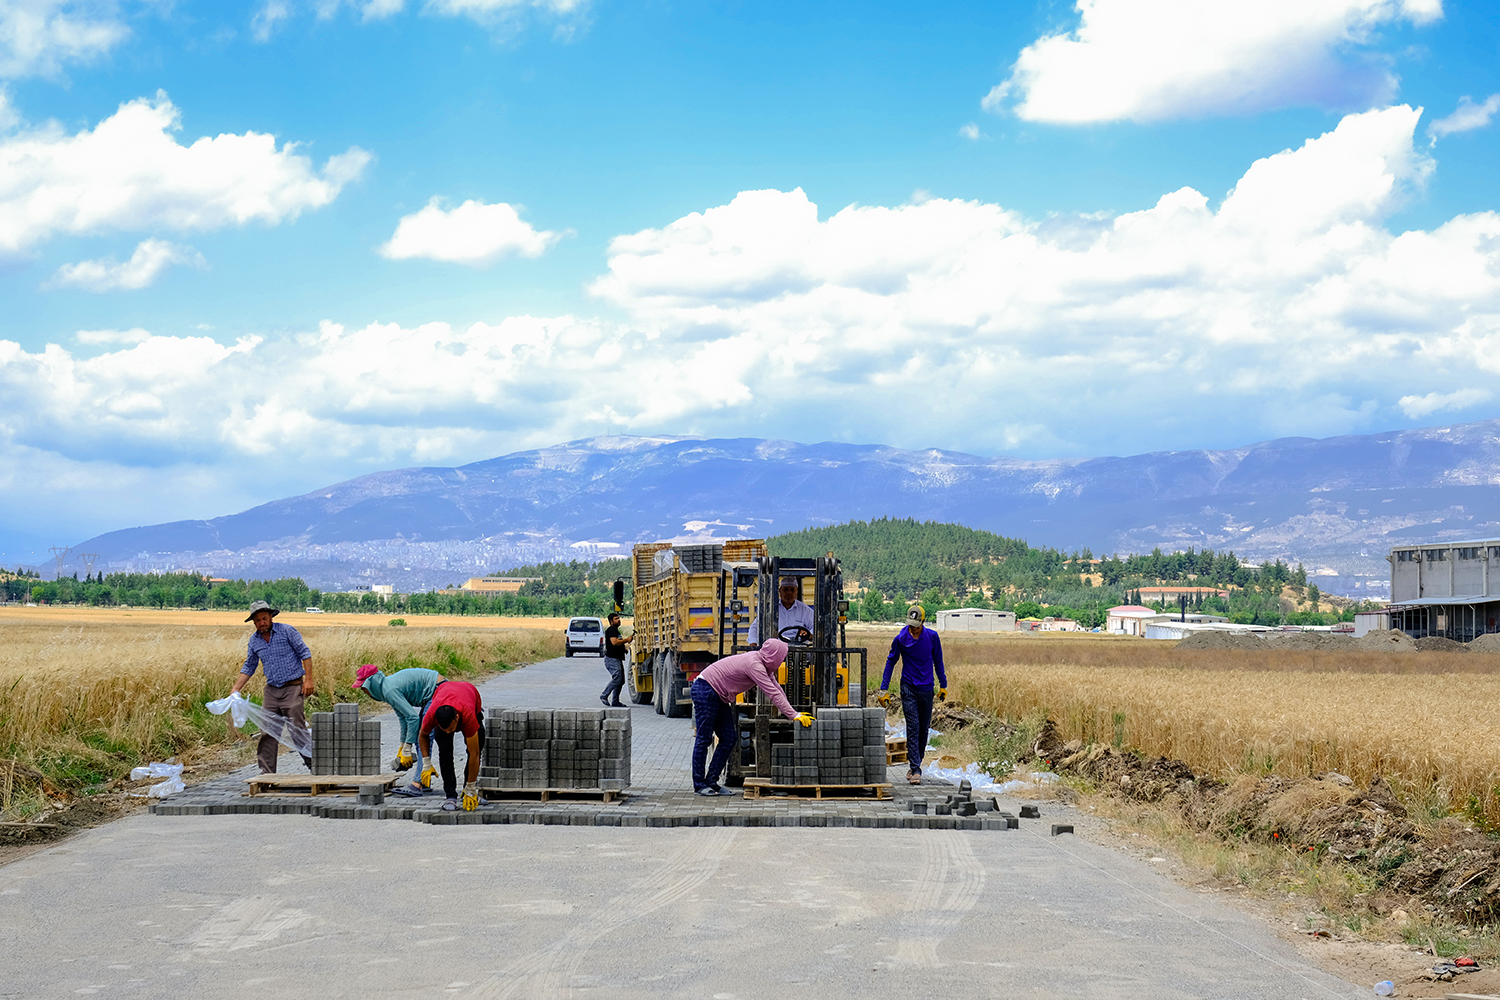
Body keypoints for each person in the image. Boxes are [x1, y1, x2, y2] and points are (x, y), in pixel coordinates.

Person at [690, 638, 813, 795]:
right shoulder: (754, 664)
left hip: (718, 695)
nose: (782, 661)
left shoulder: (765, 666)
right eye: (781, 658)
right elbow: (772, 693)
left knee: (728, 738)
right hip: (706, 689)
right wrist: (793, 715)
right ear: (774, 656)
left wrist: (795, 713)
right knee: (704, 738)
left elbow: (777, 689)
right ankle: (699, 785)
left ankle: (712, 782)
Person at [231, 600, 314, 774]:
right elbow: (249, 666)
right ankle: (267, 773)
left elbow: (305, 654)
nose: (262, 623)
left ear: (271, 617)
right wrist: (236, 689)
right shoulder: (254, 641)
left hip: (293, 688)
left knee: (296, 729)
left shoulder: (287, 631)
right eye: (258, 620)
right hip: (271, 691)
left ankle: (314, 765)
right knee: (267, 731)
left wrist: (309, 680)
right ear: (254, 622)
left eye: (264, 618)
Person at [877, 606, 947, 785]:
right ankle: (916, 768)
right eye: (911, 625)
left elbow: (938, 661)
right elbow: (891, 662)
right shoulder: (901, 639)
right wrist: (883, 689)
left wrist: (943, 685)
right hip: (908, 687)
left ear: (923, 622)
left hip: (926, 689)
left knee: (923, 729)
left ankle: (916, 763)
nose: (913, 628)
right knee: (914, 726)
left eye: (916, 625)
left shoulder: (932, 637)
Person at [353, 664, 444, 792]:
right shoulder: (386, 690)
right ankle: (423, 781)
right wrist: (402, 746)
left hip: (438, 689)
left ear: (371, 684)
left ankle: (418, 784)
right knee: (421, 737)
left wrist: (408, 747)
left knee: (424, 737)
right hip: (434, 689)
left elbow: (413, 718)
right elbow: (403, 719)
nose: (365, 692)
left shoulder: (389, 690)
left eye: (364, 688)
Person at [417, 680, 484, 811]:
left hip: (469, 694)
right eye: (445, 729)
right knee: (445, 753)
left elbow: (474, 754)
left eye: (451, 728)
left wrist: (471, 786)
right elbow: (423, 735)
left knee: (476, 748)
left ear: (457, 718)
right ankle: (450, 796)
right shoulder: (432, 714)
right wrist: (426, 763)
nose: (448, 732)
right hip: (443, 693)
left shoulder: (468, 715)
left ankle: (468, 792)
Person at [747, 577, 815, 646]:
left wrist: (809, 634)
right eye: (785, 589)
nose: (789, 593)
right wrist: (753, 643)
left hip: (799, 647)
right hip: (777, 648)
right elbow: (755, 627)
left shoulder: (804, 610)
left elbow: (816, 625)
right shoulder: (771, 609)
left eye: (792, 590)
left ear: (796, 591)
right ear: (780, 591)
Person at [599, 612, 629, 707]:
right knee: (617, 678)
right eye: (616, 618)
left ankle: (615, 701)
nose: (619, 620)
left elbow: (617, 643)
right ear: (611, 621)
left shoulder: (616, 630)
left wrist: (623, 649)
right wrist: (627, 640)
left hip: (617, 658)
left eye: (619, 618)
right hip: (611, 659)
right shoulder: (611, 630)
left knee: (621, 680)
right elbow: (614, 642)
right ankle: (604, 695)